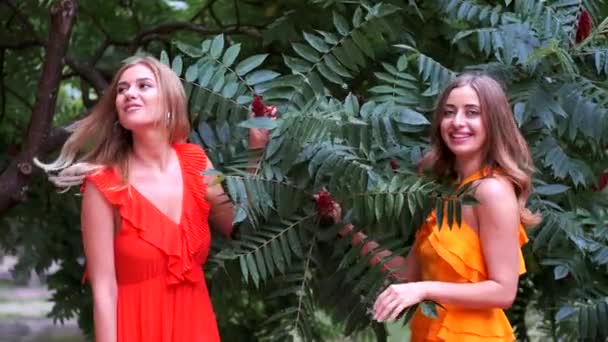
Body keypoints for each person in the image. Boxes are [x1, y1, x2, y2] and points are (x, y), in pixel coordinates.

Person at [35, 56, 271, 342]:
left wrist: (257, 150)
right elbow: (105, 290)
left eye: (143, 85)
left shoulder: (196, 163)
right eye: (121, 90)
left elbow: (238, 227)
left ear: (170, 100)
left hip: (196, 327)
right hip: (136, 328)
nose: (129, 94)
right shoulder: (104, 185)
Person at [339, 72, 540, 341]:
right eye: (449, 112)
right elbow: (407, 275)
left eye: (472, 113)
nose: (457, 122)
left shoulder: (492, 190)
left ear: (493, 122)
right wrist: (344, 226)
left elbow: (503, 292)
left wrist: (423, 290)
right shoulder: (449, 192)